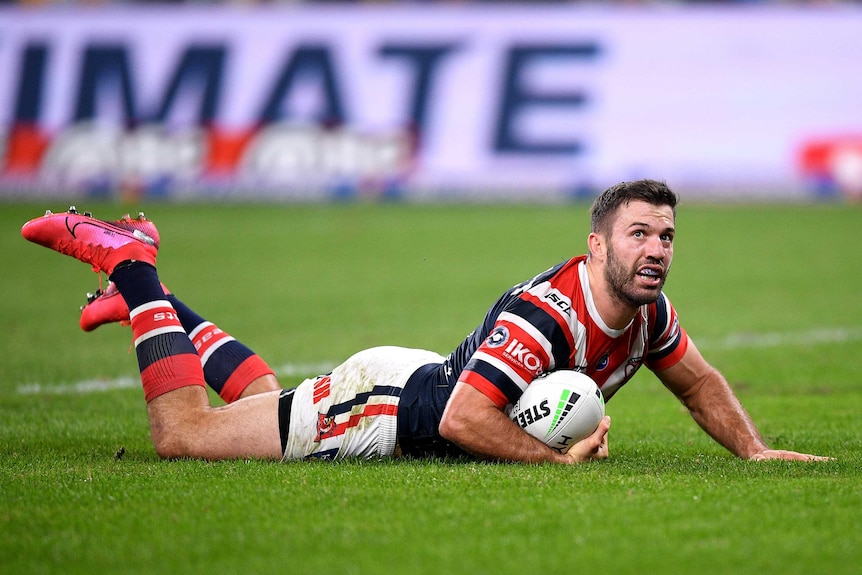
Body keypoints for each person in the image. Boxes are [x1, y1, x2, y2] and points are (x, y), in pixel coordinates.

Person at [21, 180, 829, 464]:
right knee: (187, 436)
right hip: (383, 411)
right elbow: (462, 417)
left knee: (257, 402)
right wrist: (553, 465)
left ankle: (147, 301)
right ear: (597, 244)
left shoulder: (646, 314)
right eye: (640, 234)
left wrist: (753, 449)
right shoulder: (550, 313)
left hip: (410, 376)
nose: (656, 250)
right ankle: (133, 265)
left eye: (666, 237)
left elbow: (697, 381)